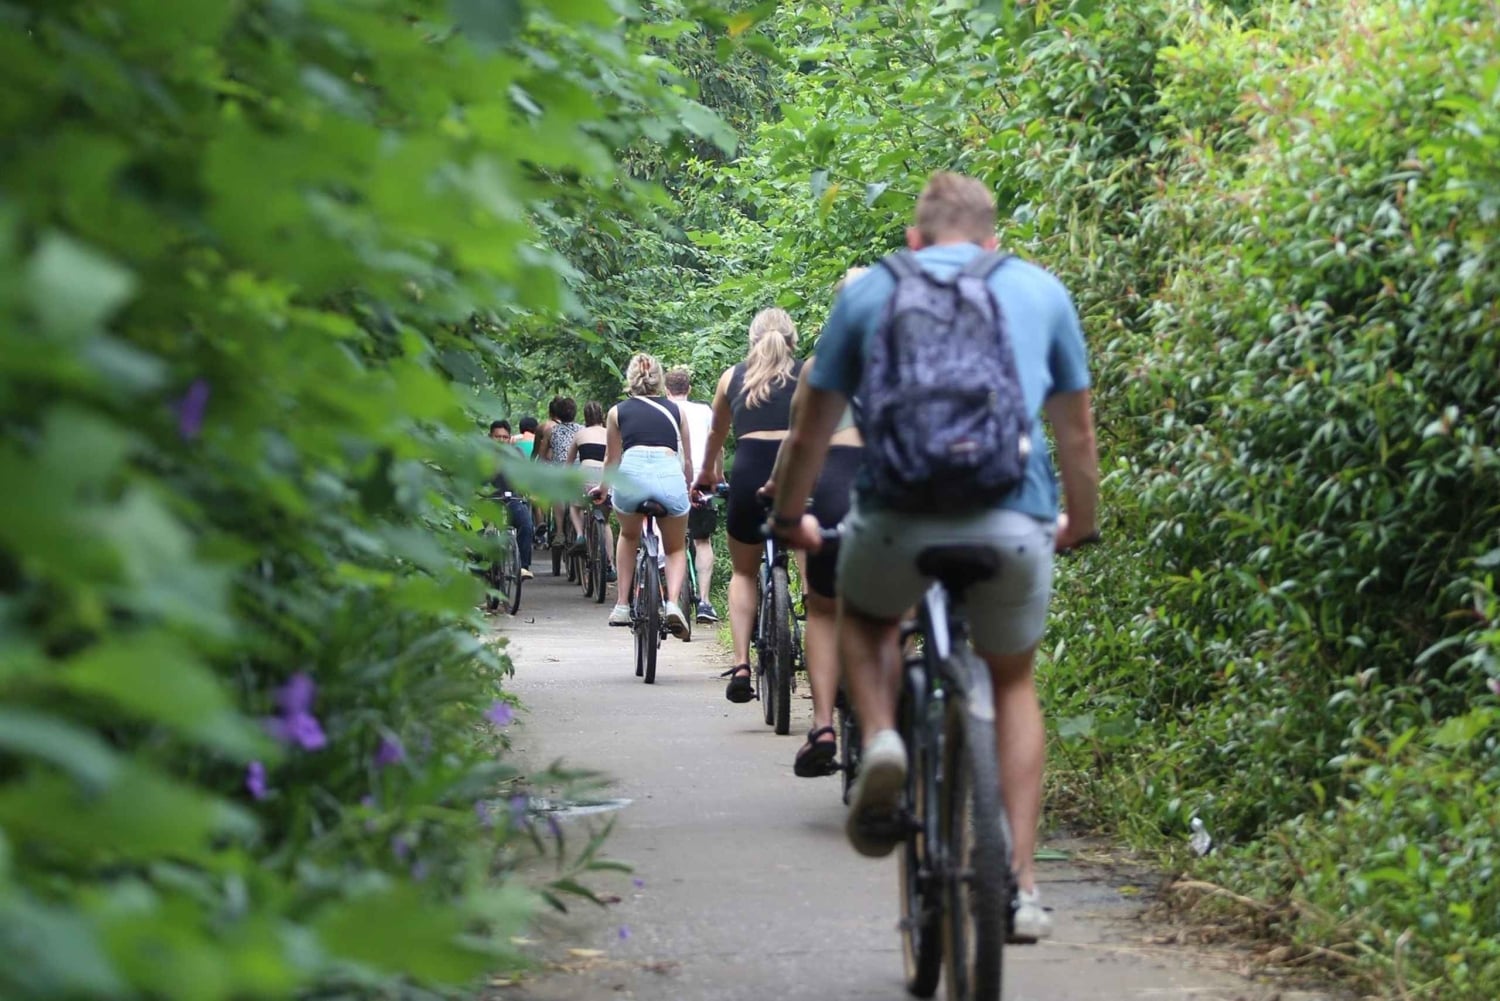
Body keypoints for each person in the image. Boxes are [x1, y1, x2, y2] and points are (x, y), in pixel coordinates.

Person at [768, 171, 1101, 942]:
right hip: (1013, 518)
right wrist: (1078, 521)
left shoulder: (869, 293)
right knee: (1012, 679)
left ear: (913, 241)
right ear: (994, 242)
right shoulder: (1040, 291)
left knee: (867, 616)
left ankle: (881, 735)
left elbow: (810, 431)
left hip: (895, 518)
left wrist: (789, 517)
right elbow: (1076, 432)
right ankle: (1019, 887)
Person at [759, 267, 868, 778]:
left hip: (834, 482)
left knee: (822, 609)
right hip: (899, 485)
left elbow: (799, 441)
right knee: (894, 609)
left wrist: (779, 497)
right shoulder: (919, 359)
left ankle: (823, 724)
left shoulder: (821, 367)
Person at [597, 354, 694, 640]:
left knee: (628, 536)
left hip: (632, 476)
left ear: (630, 379)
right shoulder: (678, 412)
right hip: (668, 476)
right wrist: (689, 487)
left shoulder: (617, 412)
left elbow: (611, 459)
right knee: (675, 547)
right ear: (659, 379)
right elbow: (687, 461)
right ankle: (674, 603)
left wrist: (602, 489)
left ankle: (623, 604)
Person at [666, 366, 720, 624]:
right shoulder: (705, 411)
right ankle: (705, 602)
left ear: (666, 390)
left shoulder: (664, 410)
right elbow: (716, 444)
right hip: (702, 479)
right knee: (702, 541)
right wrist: (717, 476)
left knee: (669, 542)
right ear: (689, 389)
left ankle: (671, 600)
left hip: (671, 478)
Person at [565, 401, 615, 582]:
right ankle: (610, 564)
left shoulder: (580, 434)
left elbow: (569, 463)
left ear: (585, 417)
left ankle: (579, 535)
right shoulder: (610, 434)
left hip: (584, 476)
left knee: (574, 505)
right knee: (606, 522)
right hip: (604, 477)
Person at [487, 420, 534, 580]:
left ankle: (523, 567)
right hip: (487, 503)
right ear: (490, 437)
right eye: (497, 437)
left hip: (511, 500)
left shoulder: (516, 454)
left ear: (510, 438)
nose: (501, 440)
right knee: (479, 531)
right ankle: (482, 568)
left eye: (505, 437)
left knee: (526, 524)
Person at [538, 396, 582, 550]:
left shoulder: (552, 431)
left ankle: (560, 532)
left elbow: (542, 455)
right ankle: (581, 531)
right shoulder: (582, 429)